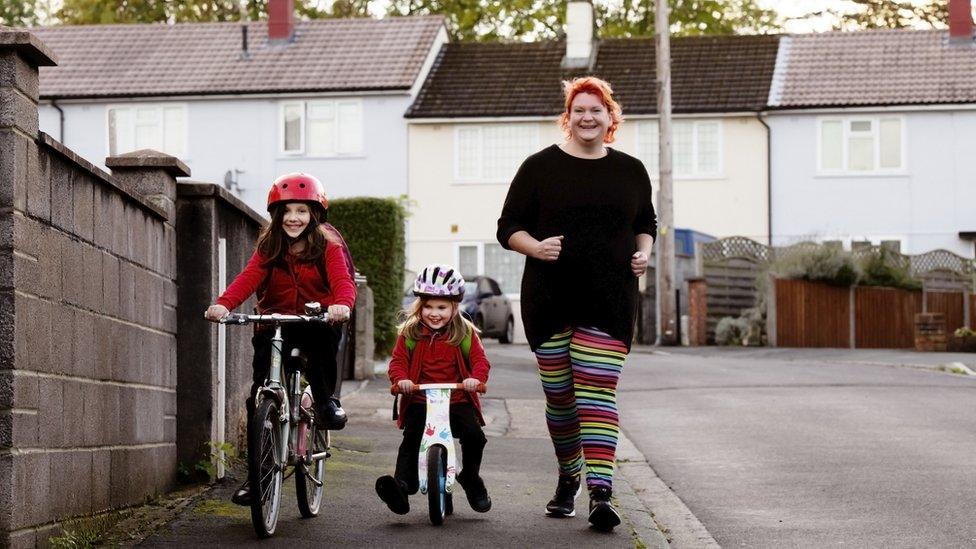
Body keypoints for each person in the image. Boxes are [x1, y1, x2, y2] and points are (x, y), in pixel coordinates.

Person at [495, 76, 656, 531]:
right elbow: (508, 226)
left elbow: (646, 222)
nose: (588, 117)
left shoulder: (631, 170)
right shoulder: (539, 167)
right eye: (579, 110)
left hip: (610, 297)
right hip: (550, 298)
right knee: (562, 402)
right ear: (568, 118)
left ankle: (601, 493)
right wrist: (536, 247)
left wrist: (644, 252)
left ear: (611, 118)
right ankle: (570, 475)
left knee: (596, 393)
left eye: (597, 110)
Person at [204, 172, 357, 505]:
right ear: (276, 215)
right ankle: (256, 476)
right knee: (259, 395)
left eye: (301, 211)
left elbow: (343, 281)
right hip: (275, 321)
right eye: (286, 211)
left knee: (320, 354)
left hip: (316, 319)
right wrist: (223, 303)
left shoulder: (327, 244)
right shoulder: (270, 245)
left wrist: (341, 306)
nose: (293, 218)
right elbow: (249, 277)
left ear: (315, 214)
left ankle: (326, 400)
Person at [375, 264, 492, 515]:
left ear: (454, 307)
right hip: (420, 399)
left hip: (457, 399)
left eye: (441, 307)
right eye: (428, 306)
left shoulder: (465, 333)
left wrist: (475, 378)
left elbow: (480, 361)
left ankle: (470, 478)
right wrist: (401, 379)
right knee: (412, 438)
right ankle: (402, 487)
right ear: (420, 306)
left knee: (474, 436)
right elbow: (397, 362)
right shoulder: (410, 332)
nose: (434, 313)